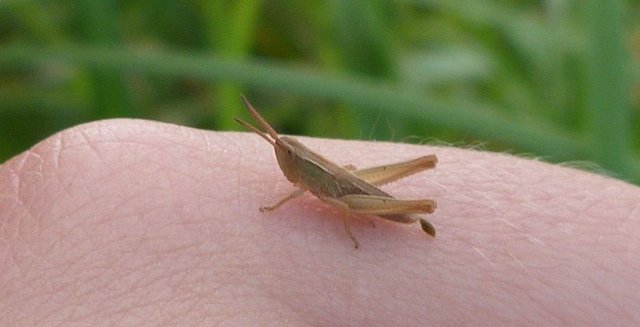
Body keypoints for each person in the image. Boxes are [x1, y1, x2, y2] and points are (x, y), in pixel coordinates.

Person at [1, 119, 638, 325]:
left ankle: (418, 215)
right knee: (340, 196)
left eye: (284, 153)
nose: (281, 160)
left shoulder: (312, 184)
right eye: (282, 153)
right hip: (343, 187)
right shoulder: (301, 165)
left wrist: (347, 214)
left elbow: (328, 196)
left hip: (364, 203)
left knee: (358, 201)